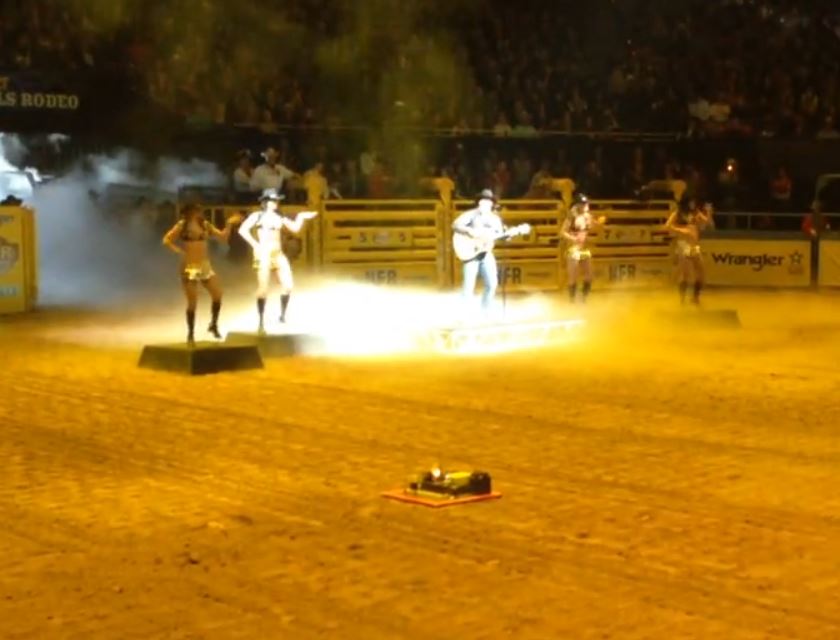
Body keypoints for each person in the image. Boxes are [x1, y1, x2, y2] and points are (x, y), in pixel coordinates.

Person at [238, 188, 318, 332]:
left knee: (288, 285)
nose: (276, 202)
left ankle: (282, 316)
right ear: (266, 202)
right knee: (263, 288)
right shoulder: (257, 216)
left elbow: (295, 229)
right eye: (274, 200)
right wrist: (255, 244)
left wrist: (301, 216)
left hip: (278, 253)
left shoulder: (280, 216)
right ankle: (261, 322)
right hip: (263, 254)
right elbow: (242, 230)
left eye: (277, 200)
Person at [162, 203, 242, 346]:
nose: (198, 213)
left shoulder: (204, 224)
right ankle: (191, 334)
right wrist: (178, 251)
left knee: (217, 294)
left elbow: (223, 237)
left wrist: (229, 224)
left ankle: (213, 324)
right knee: (193, 302)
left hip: (204, 265)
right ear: (189, 212)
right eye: (195, 211)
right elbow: (167, 239)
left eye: (198, 211)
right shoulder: (182, 225)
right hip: (190, 266)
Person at [452, 189, 505, 316]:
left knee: (492, 283)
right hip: (472, 253)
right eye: (482, 200)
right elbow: (455, 225)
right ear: (479, 202)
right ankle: (464, 314)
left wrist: (506, 235)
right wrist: (469, 231)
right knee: (468, 286)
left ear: (492, 204)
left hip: (486, 253)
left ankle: (485, 312)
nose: (484, 203)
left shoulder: (495, 219)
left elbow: (499, 234)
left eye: (487, 201)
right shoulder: (471, 215)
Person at [665, 198, 714, 305]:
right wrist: (682, 230)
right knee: (685, 274)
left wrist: (709, 211)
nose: (693, 204)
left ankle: (695, 298)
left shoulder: (696, 213)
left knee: (701, 274)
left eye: (694, 202)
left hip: (694, 246)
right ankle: (682, 300)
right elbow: (667, 225)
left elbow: (708, 222)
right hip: (683, 245)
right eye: (691, 202)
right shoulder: (678, 213)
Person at [561, 194, 606, 303]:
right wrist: (573, 238)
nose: (586, 205)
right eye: (584, 204)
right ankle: (572, 300)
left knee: (589, 275)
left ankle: (583, 298)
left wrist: (599, 223)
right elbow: (562, 231)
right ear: (578, 205)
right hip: (574, 248)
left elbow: (593, 226)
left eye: (586, 203)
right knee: (573, 276)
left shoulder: (587, 216)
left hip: (584, 248)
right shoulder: (572, 216)